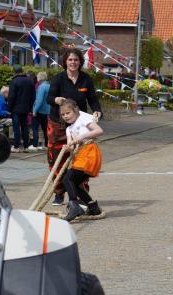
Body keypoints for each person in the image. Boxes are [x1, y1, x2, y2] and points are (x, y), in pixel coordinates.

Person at [47, 48, 102, 206]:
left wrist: (97, 111)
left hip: (79, 124)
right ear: (65, 61)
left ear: (80, 62)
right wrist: (57, 100)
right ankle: (58, 193)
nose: (73, 63)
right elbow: (48, 98)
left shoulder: (86, 79)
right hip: (58, 124)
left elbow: (93, 99)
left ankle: (81, 193)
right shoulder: (58, 78)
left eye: (76, 60)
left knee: (81, 160)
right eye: (70, 60)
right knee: (56, 158)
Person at [59, 99, 103, 222]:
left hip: (89, 153)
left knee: (67, 179)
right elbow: (71, 146)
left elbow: (99, 130)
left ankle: (74, 205)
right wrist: (68, 148)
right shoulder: (69, 129)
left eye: (68, 113)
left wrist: (82, 136)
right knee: (74, 183)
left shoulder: (83, 119)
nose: (66, 116)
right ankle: (93, 207)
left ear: (76, 110)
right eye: (63, 115)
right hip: (79, 156)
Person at [8, 65, 35, 153]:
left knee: (16, 127)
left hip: (16, 108)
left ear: (15, 72)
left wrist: (9, 108)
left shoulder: (14, 81)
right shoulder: (30, 81)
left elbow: (11, 96)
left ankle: (16, 146)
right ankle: (26, 146)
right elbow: (33, 96)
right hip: (26, 108)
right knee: (25, 127)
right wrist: (30, 107)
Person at [29, 72, 50, 152]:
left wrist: (34, 110)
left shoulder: (41, 87)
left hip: (39, 111)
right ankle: (47, 144)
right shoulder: (49, 86)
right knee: (45, 129)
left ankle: (35, 145)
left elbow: (39, 100)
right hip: (47, 111)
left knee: (35, 128)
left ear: (39, 78)